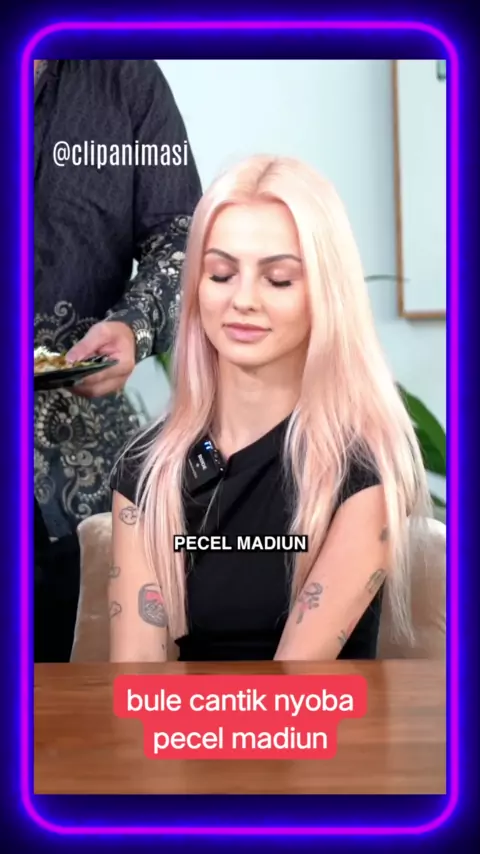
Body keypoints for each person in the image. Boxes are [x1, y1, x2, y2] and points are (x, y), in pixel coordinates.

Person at [109, 154, 431, 663]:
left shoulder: (360, 469)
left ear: (325, 294)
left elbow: (290, 692)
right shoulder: (147, 467)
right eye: (220, 274)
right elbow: (136, 685)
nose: (243, 300)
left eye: (278, 279)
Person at [34, 60, 202, 661]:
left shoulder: (126, 77)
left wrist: (133, 326)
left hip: (78, 469)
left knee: (74, 696)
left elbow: (182, 236)